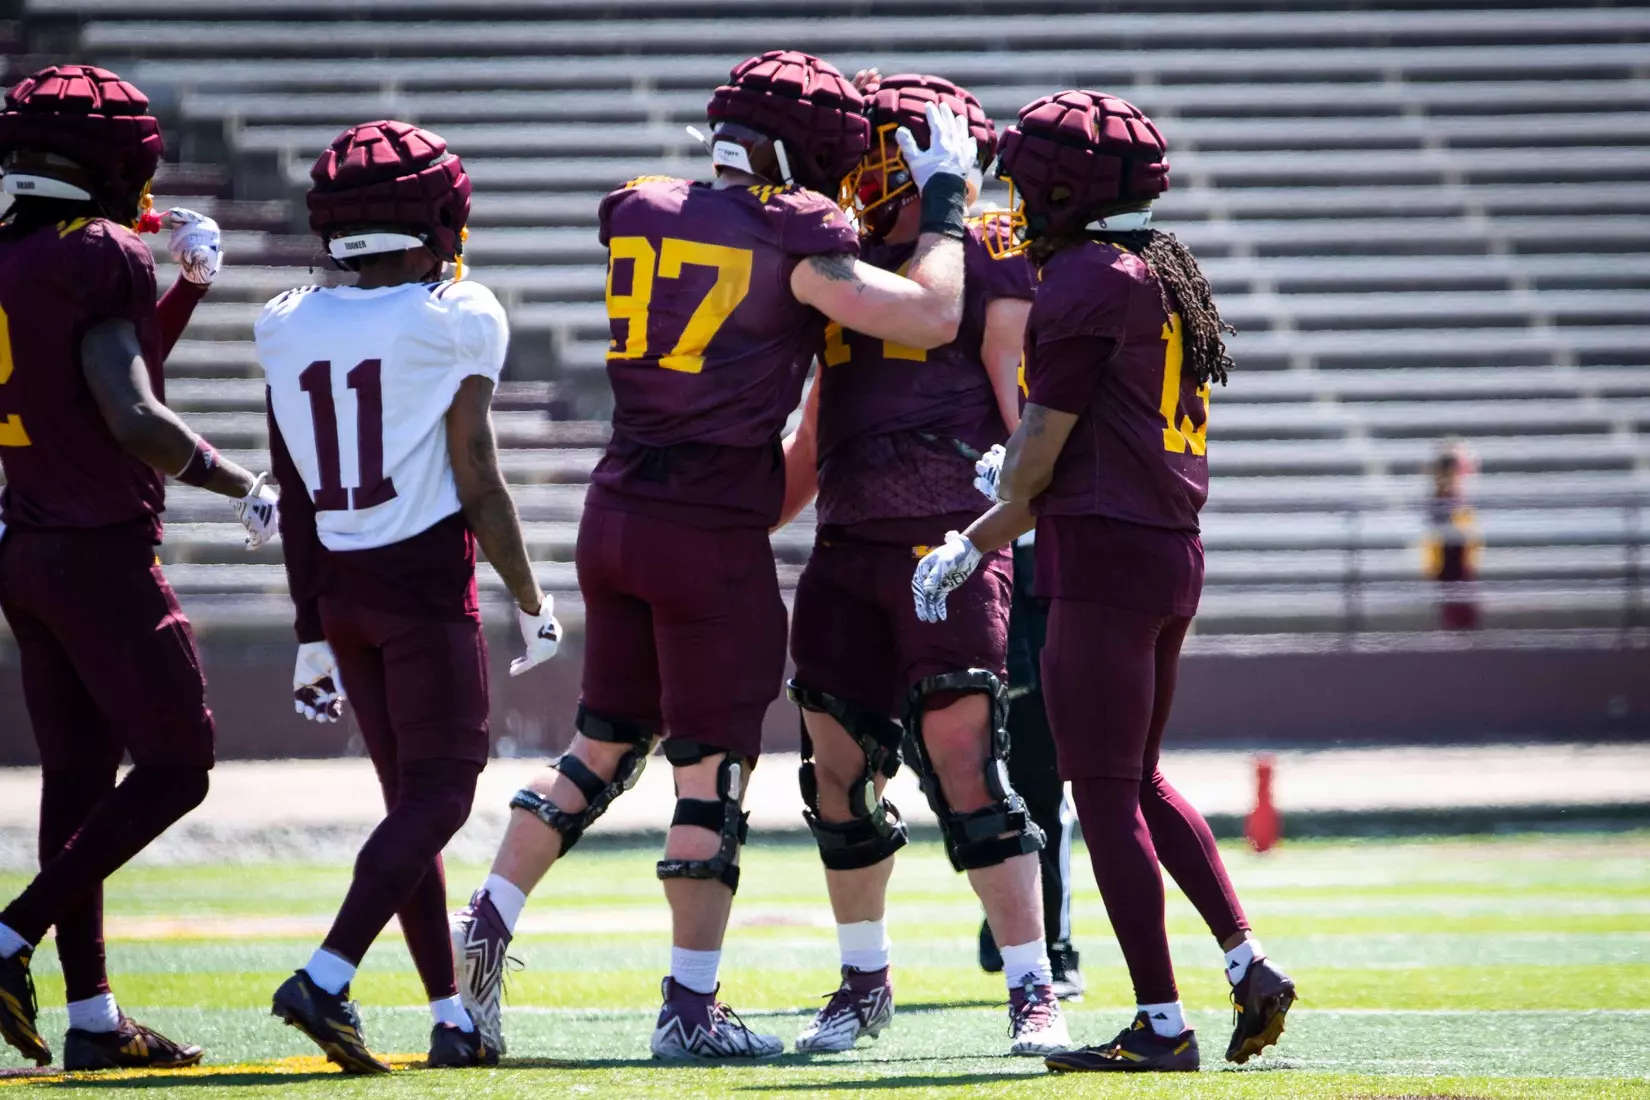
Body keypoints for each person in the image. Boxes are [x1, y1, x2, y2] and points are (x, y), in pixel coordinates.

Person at [449, 49, 977, 1061]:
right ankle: (689, 1007)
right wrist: (946, 202)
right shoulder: (797, 228)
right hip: (707, 534)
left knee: (601, 745)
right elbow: (933, 313)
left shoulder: (642, 205)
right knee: (710, 773)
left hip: (614, 511)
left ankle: (489, 914)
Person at [911, 90, 1296, 1073]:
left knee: (1104, 791)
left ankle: (1162, 1024)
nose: (1019, 202)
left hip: (1106, 561)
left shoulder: (1085, 278)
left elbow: (1038, 463)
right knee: (1139, 777)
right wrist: (994, 520)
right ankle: (1247, 962)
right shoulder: (1160, 268)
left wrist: (981, 518)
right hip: (1166, 552)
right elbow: (1065, 460)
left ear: (1063, 191)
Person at [257, 119, 561, 1074]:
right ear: (437, 217)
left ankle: (450, 1017)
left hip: (341, 589)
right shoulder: (455, 314)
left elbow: (293, 487)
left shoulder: (285, 319)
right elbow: (479, 477)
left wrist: (310, 628)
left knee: (410, 809)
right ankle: (326, 974)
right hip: (422, 588)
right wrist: (531, 597)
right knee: (438, 797)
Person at [774, 72, 1067, 1057]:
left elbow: (1023, 412)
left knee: (964, 755)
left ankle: (1032, 984)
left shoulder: (985, 249)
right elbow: (817, 425)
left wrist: (1010, 499)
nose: (857, 171)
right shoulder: (840, 260)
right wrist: (729, 514)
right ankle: (864, 980)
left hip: (949, 537)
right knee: (835, 772)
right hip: (845, 542)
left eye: (876, 152)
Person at [0, 64, 275, 1071]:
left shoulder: (20, 253)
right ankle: (8, 937)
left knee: (77, 783)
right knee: (177, 763)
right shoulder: (99, 253)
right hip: (99, 551)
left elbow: (98, 369)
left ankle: (94, 1018)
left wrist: (187, 290)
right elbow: (132, 415)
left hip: (26, 548)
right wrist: (243, 482)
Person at [977, 533, 1086, 1003]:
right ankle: (1008, 902)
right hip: (970, 581)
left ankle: (1054, 946)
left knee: (1041, 791)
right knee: (962, 786)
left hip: (1037, 581)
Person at [1424, 439, 1481, 630]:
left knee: (1461, 596)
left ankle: (1460, 624)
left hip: (1458, 551)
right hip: (1447, 552)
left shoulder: (1457, 496)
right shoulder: (1439, 497)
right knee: (1452, 596)